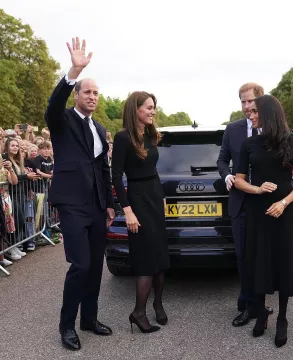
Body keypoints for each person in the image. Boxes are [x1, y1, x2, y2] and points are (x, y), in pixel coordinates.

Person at [45, 37, 115, 351]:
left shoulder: (99, 129)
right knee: (81, 265)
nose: (92, 96)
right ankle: (67, 326)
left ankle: (90, 318)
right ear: (77, 94)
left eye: (96, 93)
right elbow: (52, 106)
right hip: (72, 203)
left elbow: (103, 169)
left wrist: (110, 205)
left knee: (96, 266)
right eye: (87, 91)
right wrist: (74, 70)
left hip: (97, 206)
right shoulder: (62, 121)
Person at [234, 95, 293, 348]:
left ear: (269, 113)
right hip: (258, 211)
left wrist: (284, 202)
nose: (251, 115)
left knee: (283, 262)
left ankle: (283, 318)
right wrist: (256, 190)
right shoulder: (249, 144)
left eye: (256, 112)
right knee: (259, 260)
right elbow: (239, 179)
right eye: (250, 112)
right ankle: (261, 313)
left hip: (284, 210)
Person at [112, 91, 169, 334]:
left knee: (160, 257)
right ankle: (139, 312)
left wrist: (162, 197)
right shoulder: (123, 137)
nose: (152, 111)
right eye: (148, 107)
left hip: (154, 197)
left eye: (153, 107)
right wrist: (128, 211)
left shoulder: (150, 134)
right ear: (135, 109)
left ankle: (157, 303)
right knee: (146, 259)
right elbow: (116, 176)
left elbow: (153, 169)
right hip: (137, 200)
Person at [217, 82, 273, 328]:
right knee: (242, 255)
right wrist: (227, 175)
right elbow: (222, 160)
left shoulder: (271, 128)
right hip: (240, 202)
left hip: (265, 202)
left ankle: (257, 303)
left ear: (260, 101)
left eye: (250, 101)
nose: (247, 106)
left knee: (262, 255)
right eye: (243, 102)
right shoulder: (233, 129)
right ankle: (248, 303)